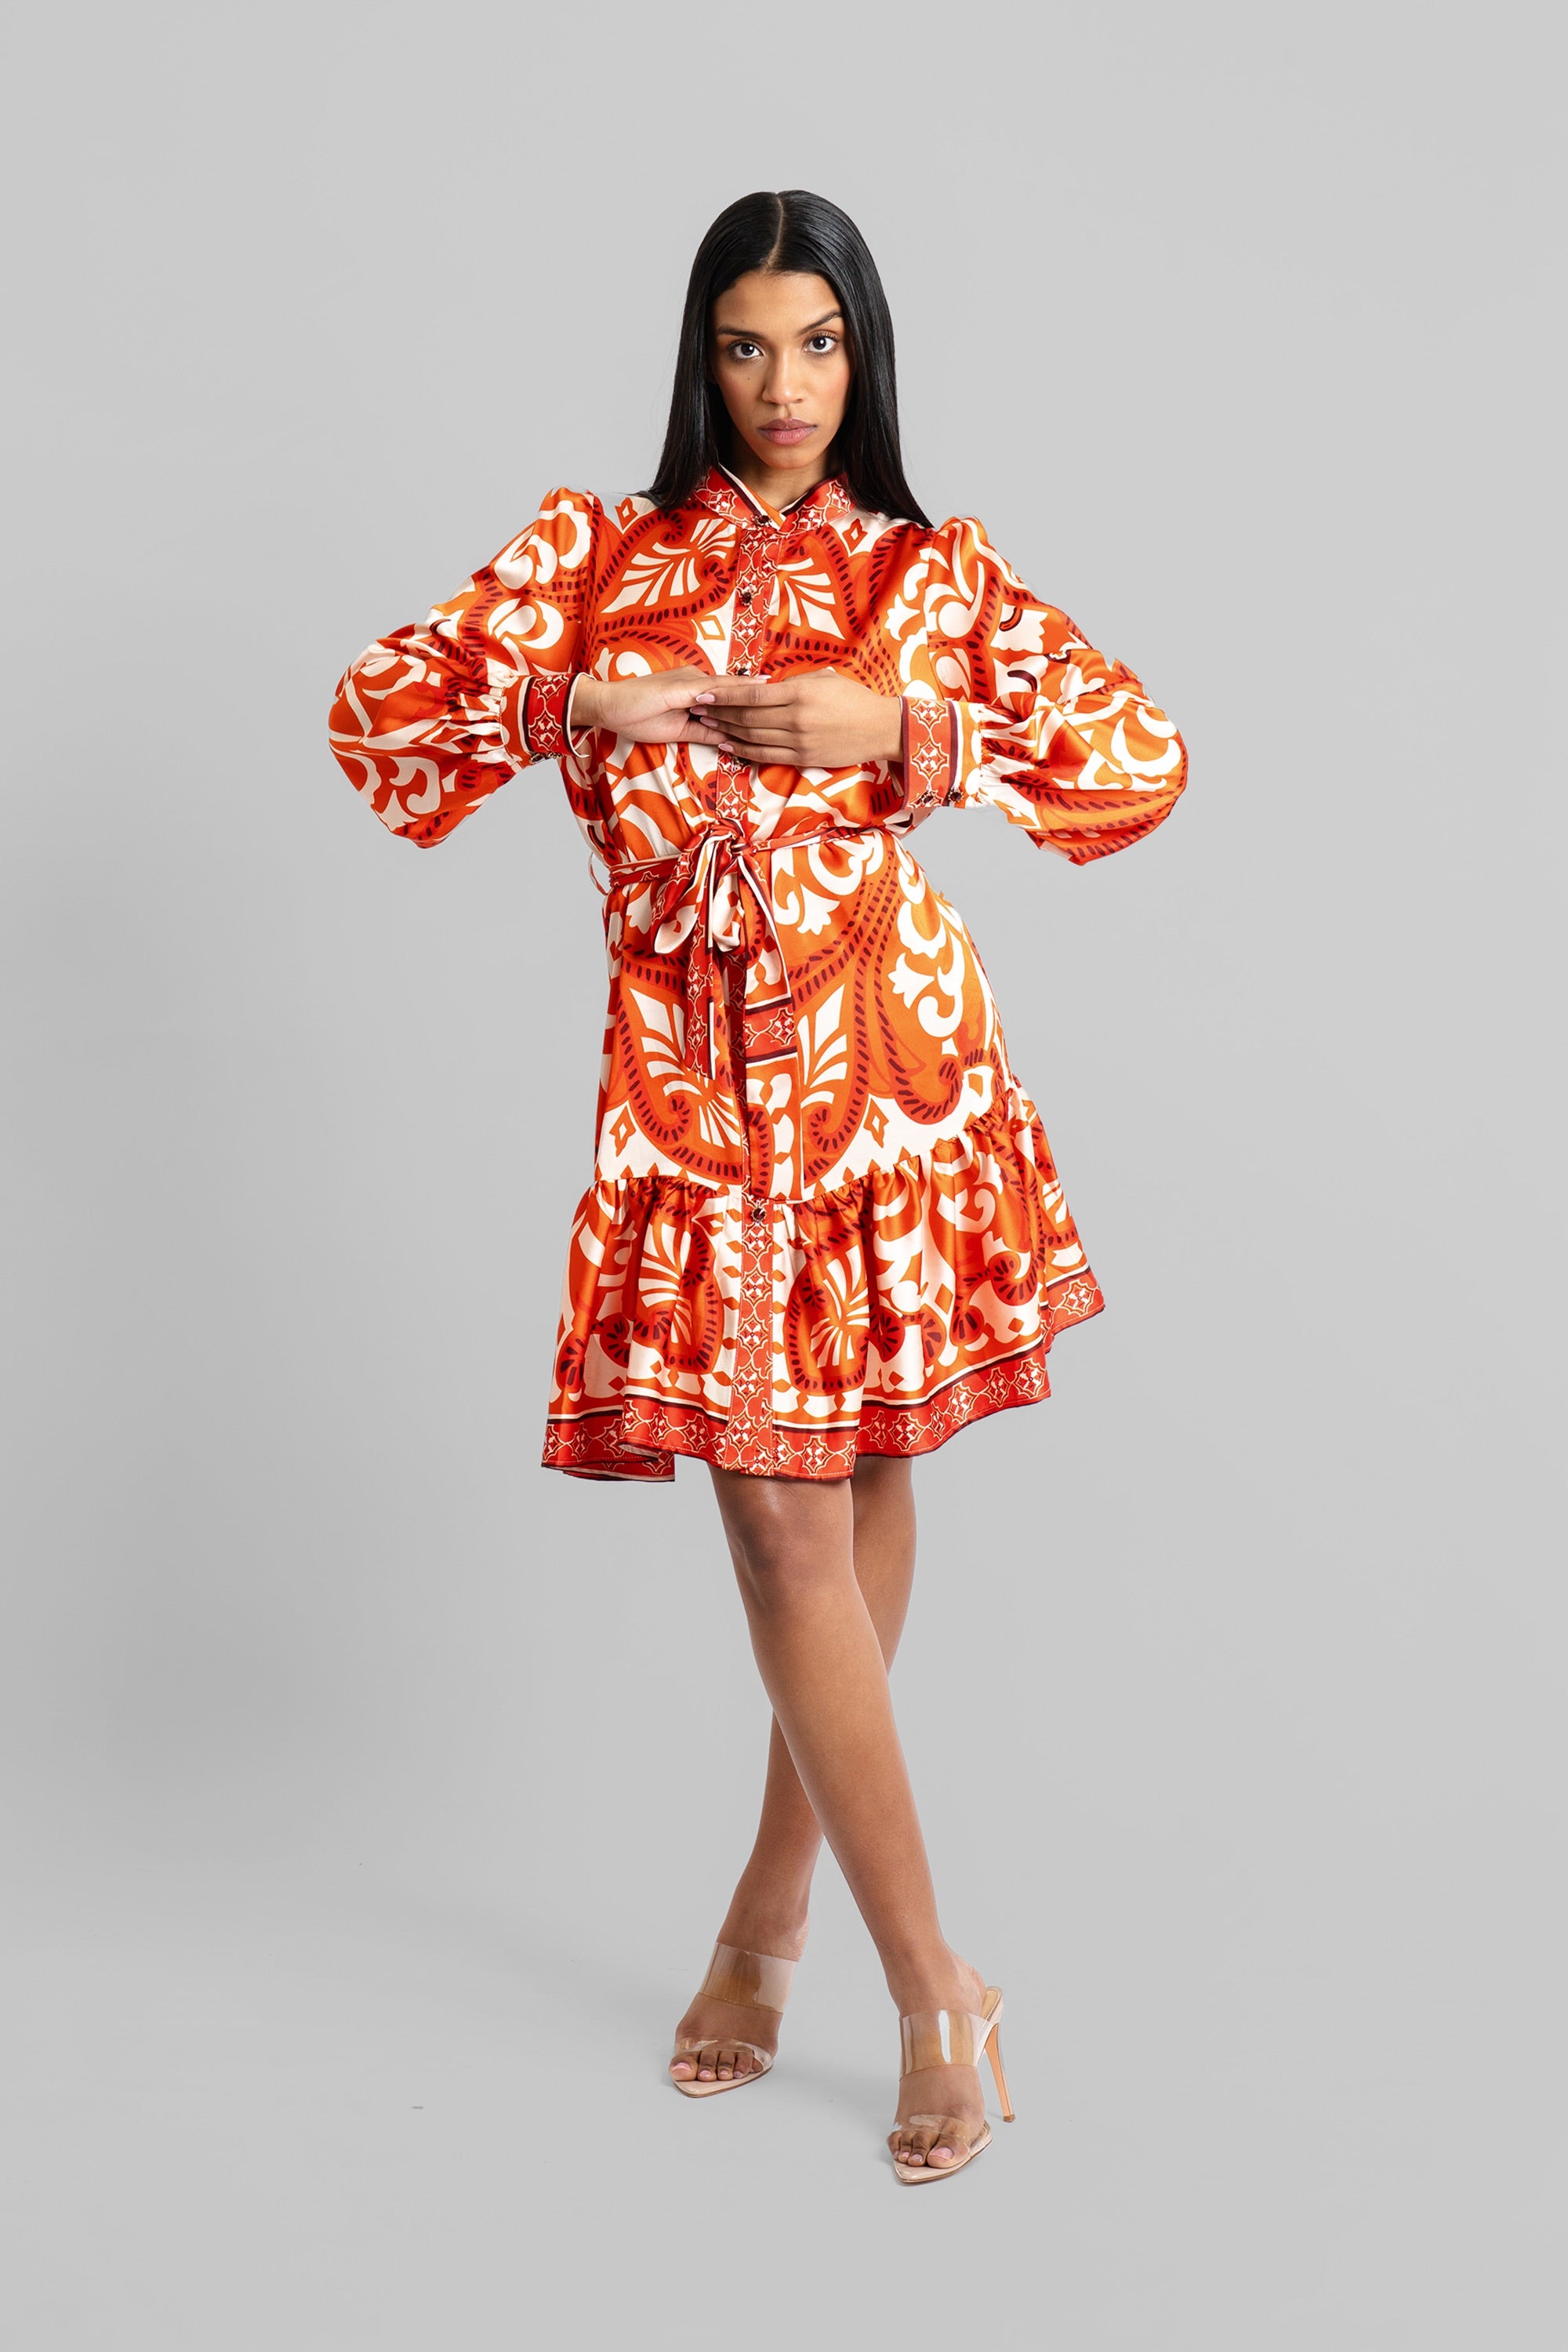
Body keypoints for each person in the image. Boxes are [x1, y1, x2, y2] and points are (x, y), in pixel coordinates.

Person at [328, 188, 1185, 2183]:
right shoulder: (594, 556)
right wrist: (575, 701)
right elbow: (377, 723)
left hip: (896, 1104)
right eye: (743, 343)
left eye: (817, 343)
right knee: (784, 1537)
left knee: (849, 1499)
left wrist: (912, 730)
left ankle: (813, 1945)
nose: (783, 386)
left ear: (863, 356)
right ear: (695, 357)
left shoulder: (921, 575)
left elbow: (1140, 762)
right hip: (692, 1115)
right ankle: (906, 1968)